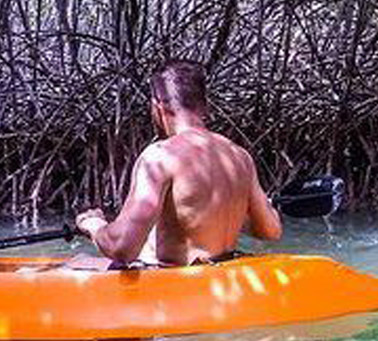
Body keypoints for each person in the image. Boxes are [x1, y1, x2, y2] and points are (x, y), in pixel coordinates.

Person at [72, 61, 282, 266]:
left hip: (176, 285)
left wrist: (94, 225)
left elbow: (122, 247)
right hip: (221, 274)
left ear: (158, 106)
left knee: (76, 263)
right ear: (205, 106)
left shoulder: (161, 157)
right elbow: (271, 230)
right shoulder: (240, 157)